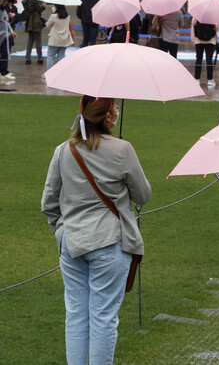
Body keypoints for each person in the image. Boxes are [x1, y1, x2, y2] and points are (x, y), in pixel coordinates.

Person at [41, 95, 151, 365]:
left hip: (72, 242)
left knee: (77, 315)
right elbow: (143, 194)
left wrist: (61, 230)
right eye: (115, 106)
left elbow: (48, 203)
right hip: (108, 242)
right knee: (102, 317)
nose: (117, 110)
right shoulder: (122, 149)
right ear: (108, 115)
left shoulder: (63, 150)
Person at [191, 16, 218, 87]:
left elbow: (193, 26)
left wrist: (193, 39)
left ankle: (197, 78)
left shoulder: (197, 14)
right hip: (210, 41)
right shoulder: (214, 15)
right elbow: (217, 29)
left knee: (198, 59)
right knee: (209, 60)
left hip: (198, 40)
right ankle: (210, 79)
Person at [45, 4, 74, 70]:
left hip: (54, 39)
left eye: (54, 6)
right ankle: (61, 72)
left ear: (57, 7)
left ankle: (50, 72)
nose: (53, 7)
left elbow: (48, 26)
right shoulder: (68, 16)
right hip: (64, 39)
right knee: (61, 56)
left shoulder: (53, 16)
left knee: (50, 56)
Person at [24, 0, 44, 64]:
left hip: (30, 23)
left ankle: (28, 58)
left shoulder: (29, 0)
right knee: (38, 41)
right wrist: (42, 6)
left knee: (30, 41)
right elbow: (38, 10)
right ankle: (40, 58)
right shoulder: (33, 0)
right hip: (35, 23)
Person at [0, 0, 17, 81]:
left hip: (5, 34)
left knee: (5, 53)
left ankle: (4, 70)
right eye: (4, 0)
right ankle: (3, 72)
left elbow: (6, 22)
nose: (6, 2)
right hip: (1, 35)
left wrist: (11, 31)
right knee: (3, 53)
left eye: (7, 0)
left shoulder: (4, 10)